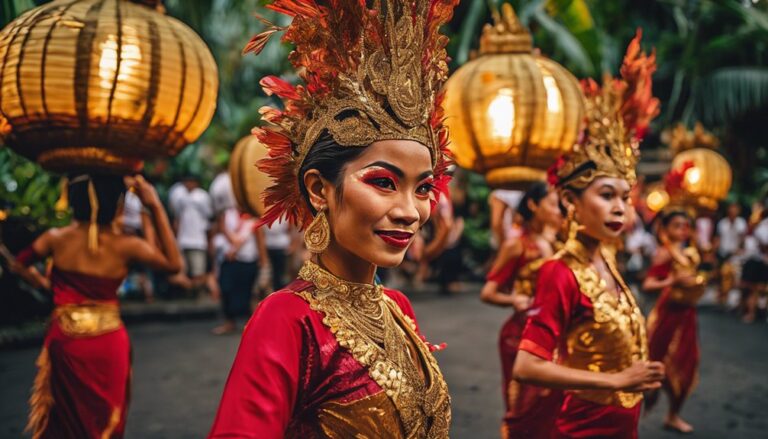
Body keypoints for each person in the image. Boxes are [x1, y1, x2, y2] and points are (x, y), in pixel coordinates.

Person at [208, 0, 457, 437]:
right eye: (383, 182)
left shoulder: (397, 307)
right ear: (319, 189)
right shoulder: (287, 319)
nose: (409, 211)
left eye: (423, 188)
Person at [512, 31, 665, 438]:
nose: (620, 206)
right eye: (606, 195)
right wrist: (618, 381)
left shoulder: (607, 259)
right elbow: (526, 366)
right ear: (570, 201)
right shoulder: (559, 272)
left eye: (625, 197)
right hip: (584, 426)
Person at [11, 174, 181, 438]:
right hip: (108, 341)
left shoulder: (55, 238)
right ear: (116, 205)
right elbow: (173, 265)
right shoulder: (126, 245)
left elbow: (18, 263)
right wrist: (155, 206)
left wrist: (44, 285)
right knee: (104, 419)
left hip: (65, 339)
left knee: (66, 419)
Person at [480, 182, 563, 438]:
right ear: (533, 205)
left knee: (553, 406)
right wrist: (515, 300)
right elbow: (489, 292)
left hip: (555, 335)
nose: (559, 210)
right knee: (523, 410)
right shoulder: (517, 245)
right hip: (520, 337)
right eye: (552, 203)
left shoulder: (556, 243)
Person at [642, 208, 704, 433]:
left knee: (688, 363)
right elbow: (648, 284)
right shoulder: (665, 253)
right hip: (668, 313)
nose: (682, 230)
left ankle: (673, 415)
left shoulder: (688, 251)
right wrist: (671, 280)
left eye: (686, 226)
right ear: (665, 229)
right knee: (655, 364)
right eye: (676, 225)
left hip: (687, 314)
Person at [212, 207, 269, 335]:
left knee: (247, 293)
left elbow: (260, 241)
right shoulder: (227, 214)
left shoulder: (253, 217)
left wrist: (264, 263)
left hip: (248, 260)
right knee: (225, 290)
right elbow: (218, 232)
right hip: (228, 259)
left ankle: (251, 324)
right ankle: (229, 322)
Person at [170, 175, 213, 296]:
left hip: (198, 240)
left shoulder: (202, 196)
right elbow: (176, 219)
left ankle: (197, 294)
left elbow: (208, 219)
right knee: (181, 272)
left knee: (198, 272)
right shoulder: (179, 196)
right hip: (183, 240)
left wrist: (209, 240)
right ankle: (188, 293)